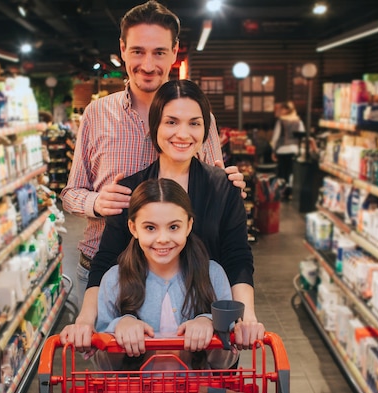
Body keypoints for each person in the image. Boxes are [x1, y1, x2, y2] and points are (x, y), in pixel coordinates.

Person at [61, 1, 243, 308]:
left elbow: (213, 186)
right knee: (111, 352)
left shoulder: (198, 115)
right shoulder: (97, 113)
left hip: (184, 276)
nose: (148, 64)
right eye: (137, 51)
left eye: (159, 52)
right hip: (105, 271)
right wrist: (96, 202)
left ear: (174, 52)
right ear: (122, 49)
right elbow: (70, 193)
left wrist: (231, 185)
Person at [60, 79, 264, 352]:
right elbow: (106, 260)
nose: (183, 133)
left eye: (194, 123)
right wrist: (86, 319)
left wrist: (245, 317)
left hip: (208, 335)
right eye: (171, 122)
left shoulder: (223, 188)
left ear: (205, 130)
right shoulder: (131, 190)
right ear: (154, 126)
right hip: (139, 337)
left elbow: (237, 257)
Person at [94, 178, 238, 370]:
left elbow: (225, 363)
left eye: (173, 227)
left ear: (188, 226)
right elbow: (103, 365)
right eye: (150, 228)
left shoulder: (213, 275)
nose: (163, 239)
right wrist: (119, 328)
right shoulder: (114, 280)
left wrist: (211, 325)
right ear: (133, 228)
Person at [270, 101, 304, 199]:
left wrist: (273, 150)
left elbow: (275, 137)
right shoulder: (298, 121)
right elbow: (301, 134)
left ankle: (281, 192)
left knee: (282, 172)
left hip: (282, 149)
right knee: (291, 172)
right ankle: (290, 192)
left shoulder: (281, 121)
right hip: (294, 149)